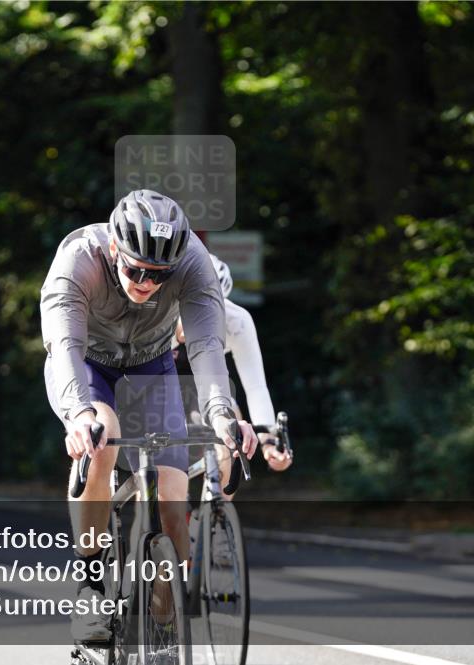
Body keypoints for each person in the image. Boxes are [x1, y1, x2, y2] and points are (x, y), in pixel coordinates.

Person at [41, 189, 258, 641]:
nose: (146, 282)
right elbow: (64, 347)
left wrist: (222, 415)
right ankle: (91, 582)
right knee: (102, 442)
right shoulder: (78, 259)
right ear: (115, 249)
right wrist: (80, 414)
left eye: (159, 275)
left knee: (174, 506)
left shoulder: (193, 264)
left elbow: (205, 346)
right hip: (87, 365)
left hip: (151, 365)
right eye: (136, 269)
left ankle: (163, 629)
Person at [174, 254, 293, 481]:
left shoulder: (237, 322)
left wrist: (268, 440)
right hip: (160, 379)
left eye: (211, 309)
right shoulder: (157, 319)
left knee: (231, 432)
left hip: (207, 384)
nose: (200, 318)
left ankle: (218, 508)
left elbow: (256, 387)